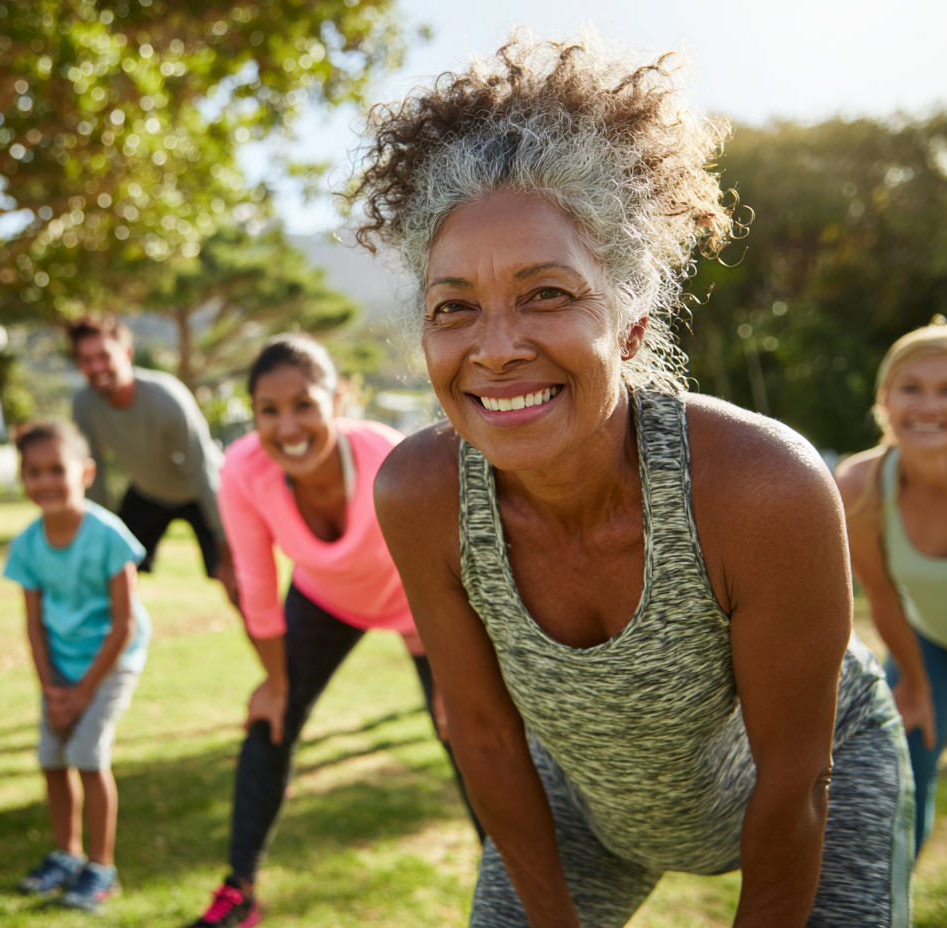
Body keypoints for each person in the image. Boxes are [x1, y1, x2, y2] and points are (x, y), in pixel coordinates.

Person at [355, 32, 915, 928]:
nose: (495, 348)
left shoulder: (760, 489)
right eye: (453, 306)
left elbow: (794, 780)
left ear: (630, 323)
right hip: (589, 808)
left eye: (546, 294)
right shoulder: (420, 497)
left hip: (816, 783)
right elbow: (488, 739)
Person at [183, 334, 480, 928]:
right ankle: (239, 893)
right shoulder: (243, 469)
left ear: (339, 399)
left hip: (421, 600)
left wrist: (457, 682)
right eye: (269, 410)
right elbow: (256, 585)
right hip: (327, 598)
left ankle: (519, 882)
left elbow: (453, 566)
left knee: (469, 733)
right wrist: (274, 683)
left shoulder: (386, 454)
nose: (287, 426)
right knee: (269, 721)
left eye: (304, 404)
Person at [4, 419, 151, 913]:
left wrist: (85, 690)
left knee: (88, 752)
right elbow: (33, 625)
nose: (45, 481)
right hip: (61, 667)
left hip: (112, 659)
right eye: (33, 471)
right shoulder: (27, 545)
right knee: (51, 756)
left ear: (85, 473)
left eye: (56, 469)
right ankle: (66, 855)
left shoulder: (108, 535)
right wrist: (52, 690)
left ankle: (101, 868)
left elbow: (124, 623)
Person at [837, 321, 947, 859]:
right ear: (885, 400)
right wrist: (918, 687)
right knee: (903, 767)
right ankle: (890, 885)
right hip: (928, 644)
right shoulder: (861, 486)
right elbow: (881, 598)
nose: (929, 406)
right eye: (911, 387)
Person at [68, 314, 237, 605]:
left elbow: (204, 473)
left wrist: (226, 546)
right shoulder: (85, 405)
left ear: (127, 353)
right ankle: (119, 634)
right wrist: (98, 536)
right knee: (109, 575)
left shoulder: (166, 398)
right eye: (86, 360)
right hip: (149, 493)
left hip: (201, 492)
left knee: (237, 582)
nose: (96, 367)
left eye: (104, 356)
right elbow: (94, 477)